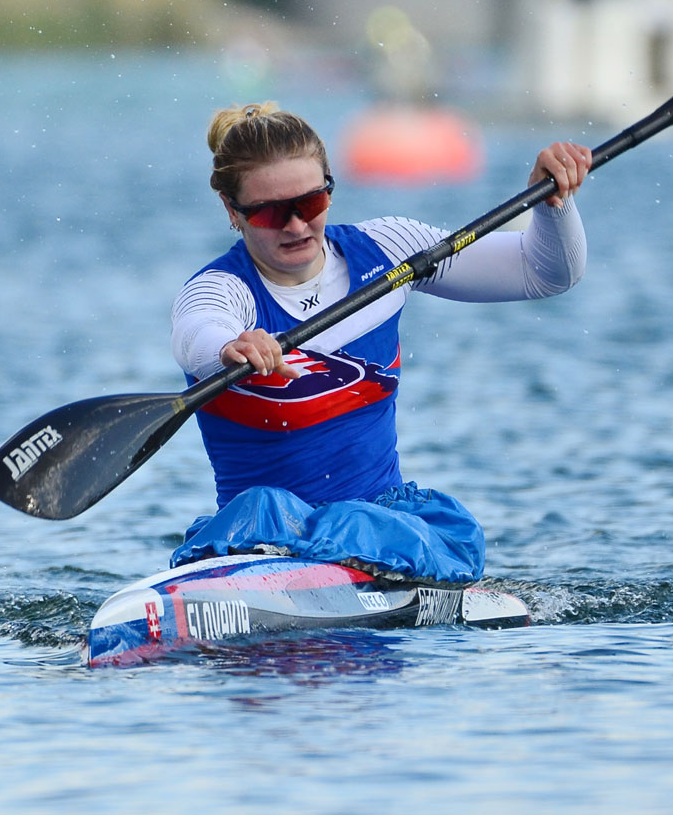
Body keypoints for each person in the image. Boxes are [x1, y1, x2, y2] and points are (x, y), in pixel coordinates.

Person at [169, 102, 590, 583]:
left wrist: (553, 203)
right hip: (263, 535)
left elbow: (545, 274)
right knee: (268, 506)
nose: (295, 225)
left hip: (385, 534)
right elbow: (196, 334)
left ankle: (355, 556)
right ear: (232, 211)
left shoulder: (390, 251)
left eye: (309, 204)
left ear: (330, 188)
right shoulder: (222, 290)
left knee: (372, 521)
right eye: (269, 213)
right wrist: (230, 348)